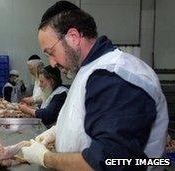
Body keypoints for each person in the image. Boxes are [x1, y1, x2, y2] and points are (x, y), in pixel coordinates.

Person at [21, 1, 169, 171]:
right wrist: (57, 131)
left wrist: (45, 158)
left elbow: (108, 162)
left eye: (51, 52)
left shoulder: (116, 76)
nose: (52, 63)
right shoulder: (88, 71)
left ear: (73, 37)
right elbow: (88, 118)